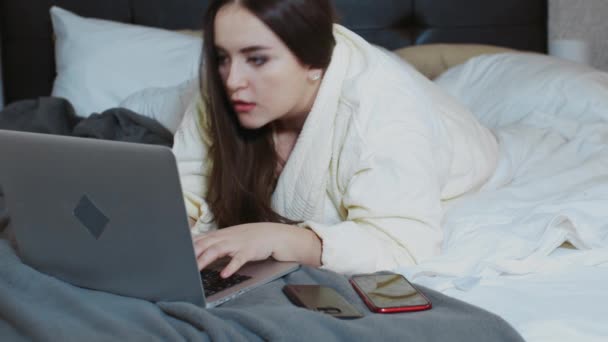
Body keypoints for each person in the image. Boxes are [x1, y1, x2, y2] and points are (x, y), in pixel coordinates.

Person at [172, 0, 498, 278]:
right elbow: (185, 191)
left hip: (465, 146)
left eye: (257, 59)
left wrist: (286, 239)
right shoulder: (224, 86)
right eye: (221, 58)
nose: (232, 80)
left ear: (315, 62)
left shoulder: (385, 112)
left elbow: (402, 245)